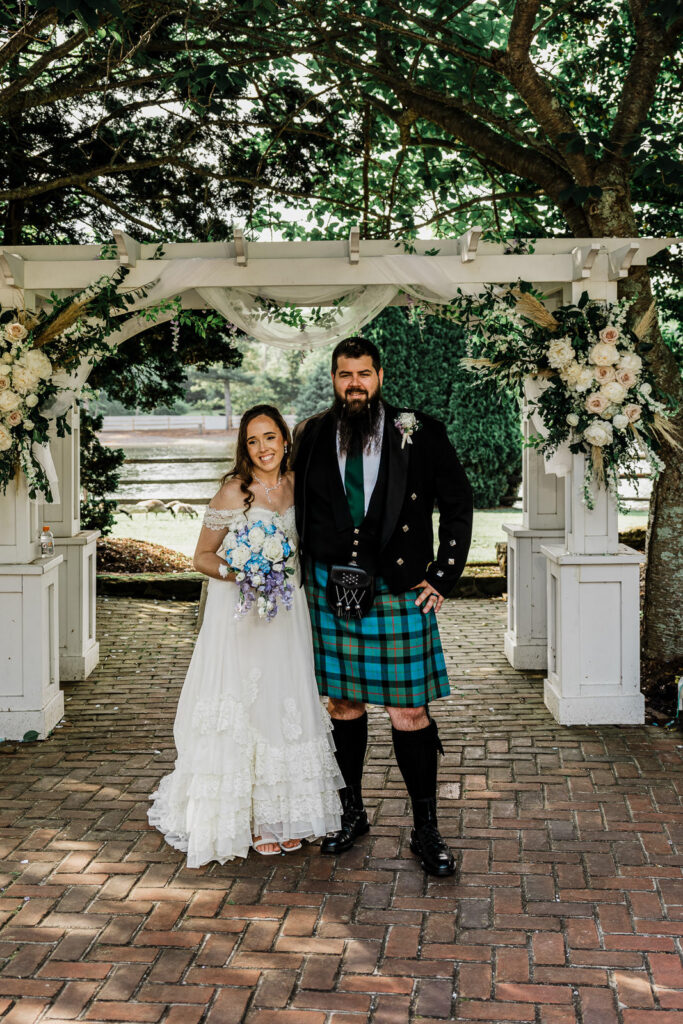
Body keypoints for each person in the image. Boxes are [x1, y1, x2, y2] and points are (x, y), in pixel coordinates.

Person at [292, 337, 473, 877]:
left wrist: (443, 574)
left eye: (364, 374)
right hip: (330, 587)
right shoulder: (312, 433)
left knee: (408, 711)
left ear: (380, 375)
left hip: (397, 589)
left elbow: (458, 501)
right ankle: (351, 812)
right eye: (345, 374)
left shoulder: (419, 430)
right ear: (332, 378)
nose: (355, 384)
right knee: (342, 706)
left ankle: (425, 829)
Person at [148, 404, 342, 867]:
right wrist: (242, 573)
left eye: (270, 438)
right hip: (244, 620)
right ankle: (252, 819)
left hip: (289, 617)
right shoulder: (234, 492)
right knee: (250, 705)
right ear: (244, 447)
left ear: (284, 440)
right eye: (253, 441)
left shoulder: (298, 485)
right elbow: (201, 556)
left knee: (285, 703)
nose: (263, 448)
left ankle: (285, 815)